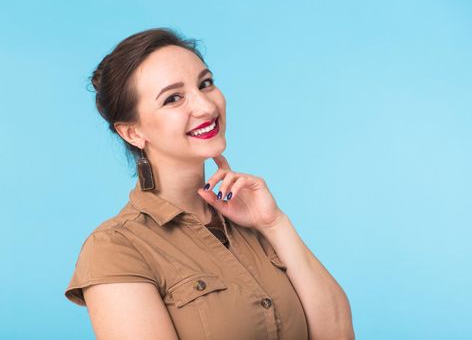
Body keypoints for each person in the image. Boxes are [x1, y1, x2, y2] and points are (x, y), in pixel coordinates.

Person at [64, 27, 355, 340]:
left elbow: (338, 333)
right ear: (132, 132)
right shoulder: (116, 248)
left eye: (206, 84)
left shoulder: (253, 221)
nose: (205, 107)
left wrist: (275, 224)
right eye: (173, 98)